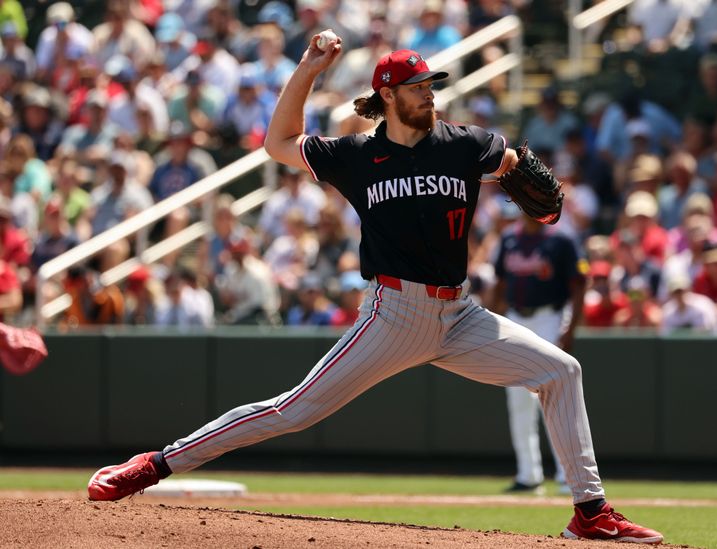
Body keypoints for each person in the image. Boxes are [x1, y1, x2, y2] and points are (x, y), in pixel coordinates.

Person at [87, 38, 663, 545]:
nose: (428, 93)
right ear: (387, 94)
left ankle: (589, 512)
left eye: (431, 84)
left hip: (459, 315)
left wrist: (520, 168)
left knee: (561, 372)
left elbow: (515, 164)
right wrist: (310, 68)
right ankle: (153, 464)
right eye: (416, 86)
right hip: (394, 313)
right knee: (294, 411)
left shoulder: (465, 143)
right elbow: (278, 142)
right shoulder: (357, 156)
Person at [490, 214, 584, 495]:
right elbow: (500, 284)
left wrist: (569, 329)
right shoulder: (508, 239)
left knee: (553, 397)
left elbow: (578, 285)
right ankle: (528, 475)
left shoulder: (562, 239)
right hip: (515, 317)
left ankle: (568, 476)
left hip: (549, 317)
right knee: (518, 400)